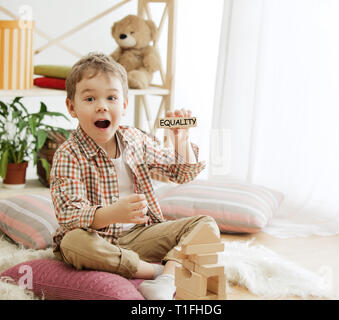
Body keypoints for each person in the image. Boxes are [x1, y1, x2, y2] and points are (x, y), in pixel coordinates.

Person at [50, 52, 219, 300]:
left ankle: (166, 280)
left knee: (205, 225)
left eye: (111, 97)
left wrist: (180, 141)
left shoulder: (135, 139)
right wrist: (112, 213)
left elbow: (180, 173)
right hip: (96, 240)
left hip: (142, 236)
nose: (102, 105)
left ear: (124, 105)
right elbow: (69, 214)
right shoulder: (68, 154)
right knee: (72, 243)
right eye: (89, 98)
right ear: (72, 107)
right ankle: (156, 271)